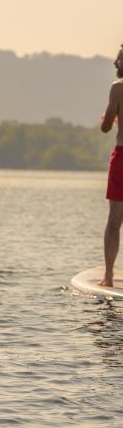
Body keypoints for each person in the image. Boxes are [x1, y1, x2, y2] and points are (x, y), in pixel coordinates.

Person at [99, 44, 123, 286]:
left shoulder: (117, 89)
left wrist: (113, 118)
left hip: (122, 155)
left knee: (115, 220)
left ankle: (108, 276)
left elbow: (105, 127)